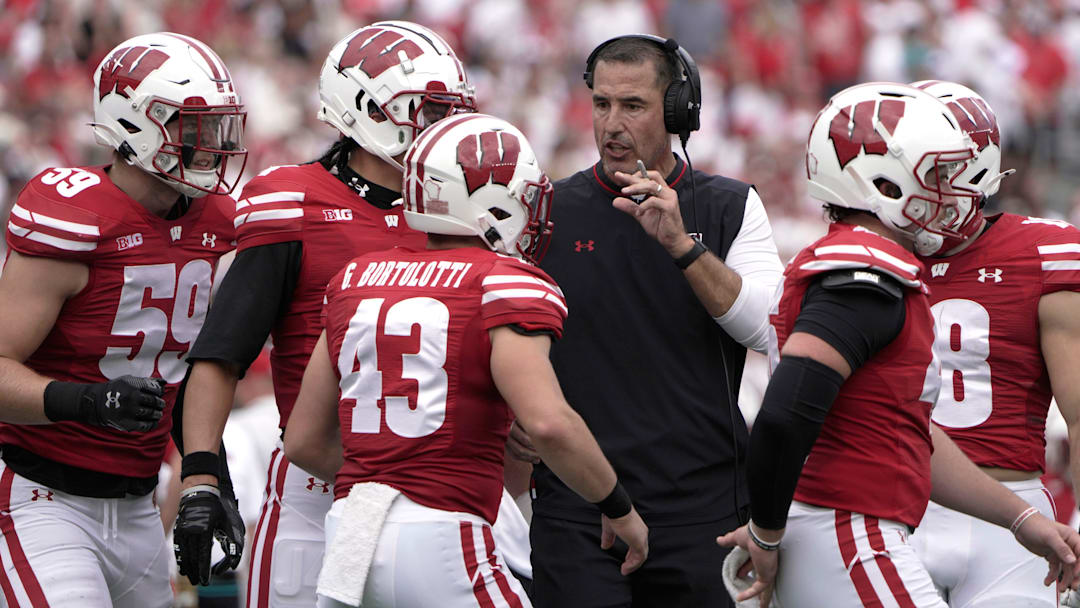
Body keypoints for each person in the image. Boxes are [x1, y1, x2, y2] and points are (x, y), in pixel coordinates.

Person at [717, 82, 1080, 607]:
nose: (954, 193)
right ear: (881, 181)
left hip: (941, 508)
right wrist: (766, 529)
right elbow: (785, 413)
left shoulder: (853, 261)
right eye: (936, 175)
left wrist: (1022, 517)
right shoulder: (865, 271)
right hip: (854, 519)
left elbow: (909, 427)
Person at [170, 21, 490, 607]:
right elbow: (222, 353)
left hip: (438, 489)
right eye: (424, 109)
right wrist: (198, 475)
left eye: (448, 110)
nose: (440, 126)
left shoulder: (469, 208)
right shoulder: (296, 202)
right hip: (316, 489)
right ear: (364, 107)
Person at [283, 112, 649, 608]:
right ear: (492, 203)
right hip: (445, 537)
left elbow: (304, 439)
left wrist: (389, 483)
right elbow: (548, 423)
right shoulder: (503, 281)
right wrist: (617, 506)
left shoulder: (355, 278)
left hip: (353, 535)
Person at [521, 34, 783, 607]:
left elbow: (767, 327)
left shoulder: (729, 204)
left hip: (703, 508)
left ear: (676, 111)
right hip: (581, 506)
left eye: (633, 106)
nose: (612, 123)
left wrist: (682, 247)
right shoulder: (545, 211)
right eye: (601, 104)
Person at [0, 32, 246, 606]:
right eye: (194, 127)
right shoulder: (78, 219)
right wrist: (88, 400)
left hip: (139, 506)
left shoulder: (217, 223)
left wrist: (206, 482)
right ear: (134, 124)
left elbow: (194, 371)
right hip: (45, 497)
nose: (211, 146)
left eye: (218, 128)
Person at [906, 79, 1080, 607]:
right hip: (892, 508)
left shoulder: (1046, 252)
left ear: (974, 168)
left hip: (1012, 520)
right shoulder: (861, 254)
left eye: (932, 169)